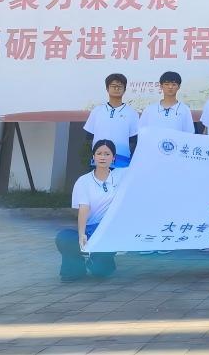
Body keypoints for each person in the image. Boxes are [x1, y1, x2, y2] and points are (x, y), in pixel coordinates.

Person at [55, 140, 123, 281]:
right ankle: (75, 269)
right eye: (99, 153)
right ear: (93, 157)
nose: (103, 157)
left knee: (100, 272)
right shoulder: (84, 181)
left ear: (113, 158)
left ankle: (96, 262)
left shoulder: (121, 176)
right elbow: (84, 209)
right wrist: (81, 235)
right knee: (64, 238)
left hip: (108, 233)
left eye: (107, 154)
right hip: (89, 229)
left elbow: (142, 168)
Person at [83, 73, 139, 167]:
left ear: (124, 89)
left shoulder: (132, 113)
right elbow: (89, 138)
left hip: (122, 162)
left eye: (120, 86)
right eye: (113, 86)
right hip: (98, 161)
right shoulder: (97, 111)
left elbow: (134, 141)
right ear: (107, 89)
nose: (116, 88)